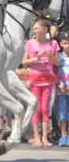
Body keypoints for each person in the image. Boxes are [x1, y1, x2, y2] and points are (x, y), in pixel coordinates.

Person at [23, 19, 60, 147]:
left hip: (47, 79)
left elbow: (58, 63)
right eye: (33, 29)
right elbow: (24, 62)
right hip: (35, 79)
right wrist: (36, 58)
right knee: (36, 109)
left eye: (37, 28)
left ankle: (45, 137)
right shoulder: (31, 43)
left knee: (45, 108)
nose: (35, 31)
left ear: (45, 30)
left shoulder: (53, 43)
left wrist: (51, 57)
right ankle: (36, 137)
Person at [56, 30, 69, 146]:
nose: (67, 45)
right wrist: (58, 86)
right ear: (61, 44)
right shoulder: (58, 57)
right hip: (62, 90)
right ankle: (63, 136)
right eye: (65, 43)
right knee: (62, 114)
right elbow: (54, 73)